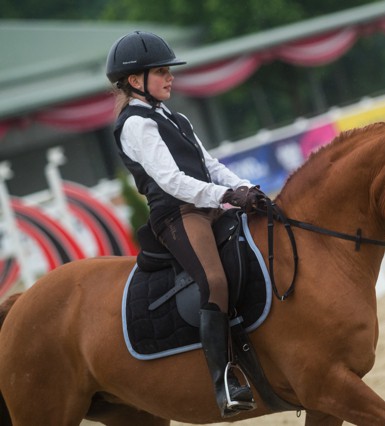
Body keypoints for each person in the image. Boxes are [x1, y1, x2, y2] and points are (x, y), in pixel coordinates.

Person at [106, 30, 263, 418]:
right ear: (134, 80)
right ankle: (223, 381)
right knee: (215, 280)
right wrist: (225, 197)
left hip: (206, 205)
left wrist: (245, 188)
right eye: (161, 72)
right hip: (177, 214)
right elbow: (172, 181)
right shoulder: (135, 125)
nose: (170, 77)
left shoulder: (175, 117)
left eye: (168, 71)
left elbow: (210, 165)